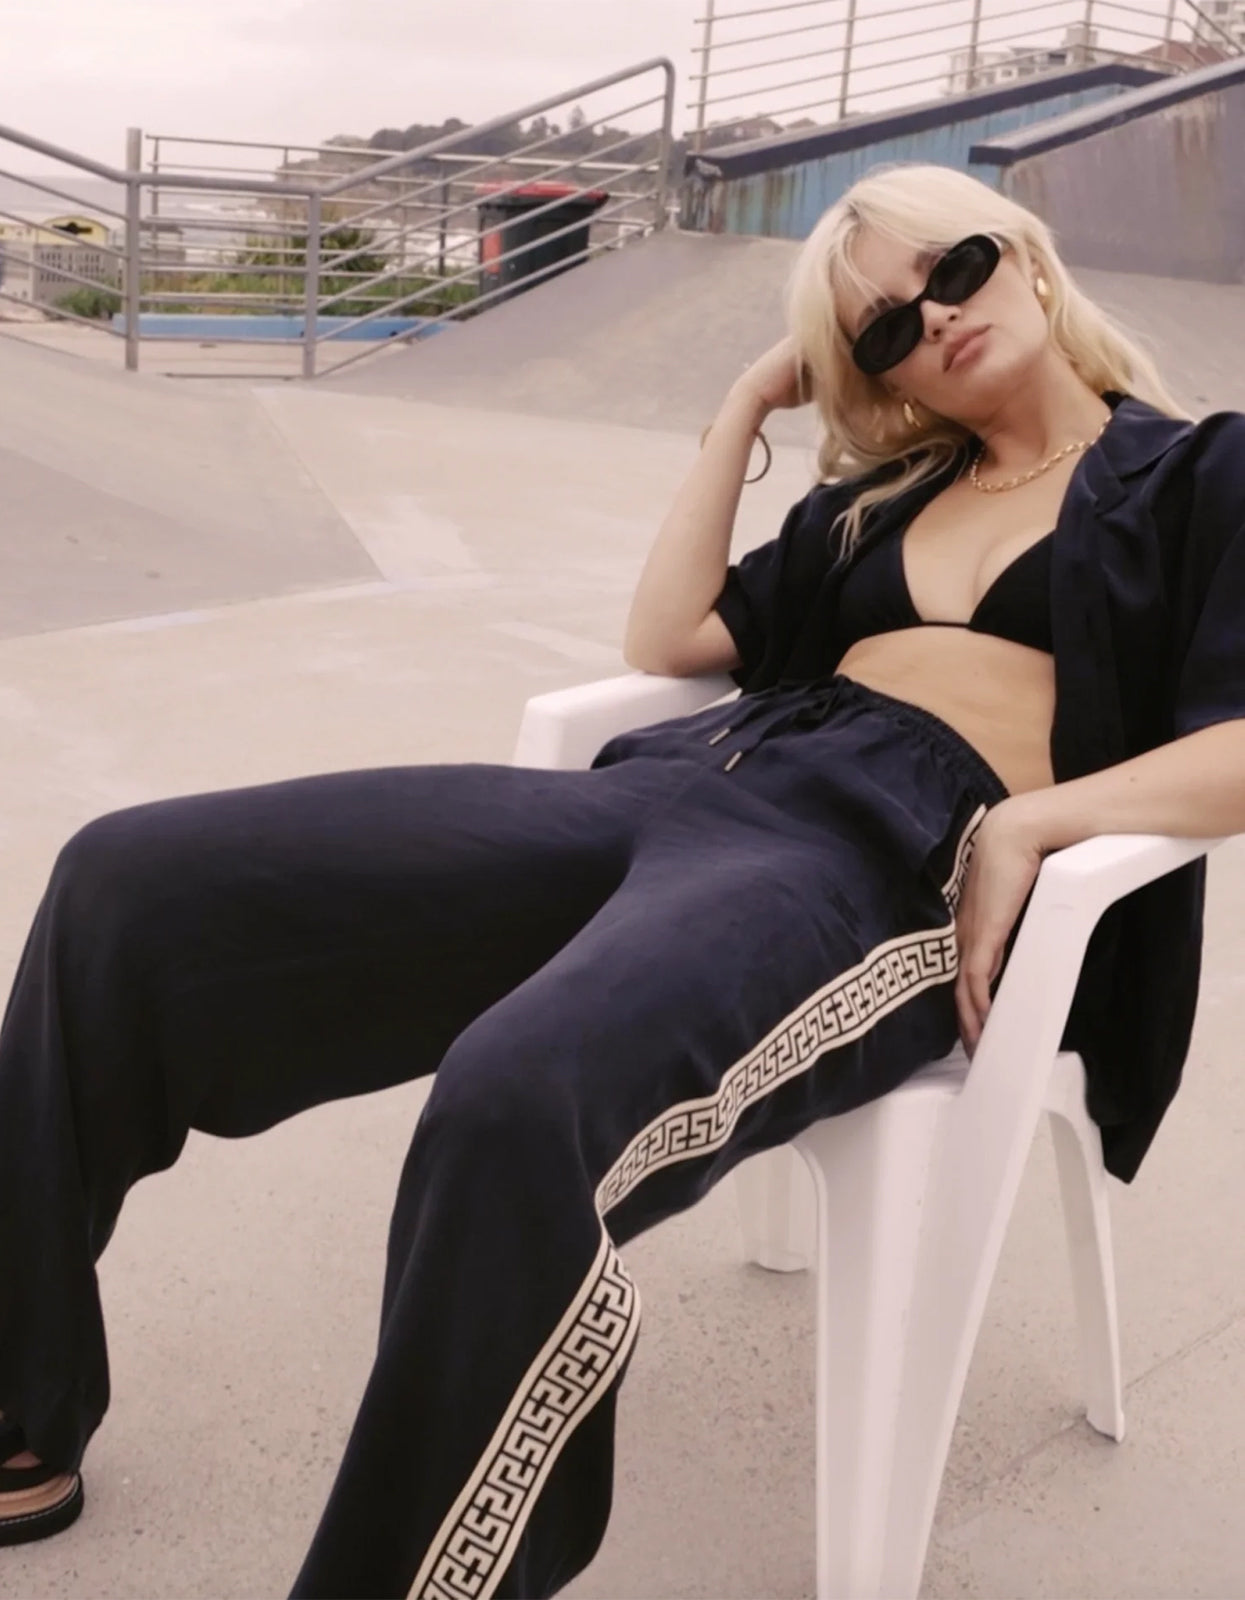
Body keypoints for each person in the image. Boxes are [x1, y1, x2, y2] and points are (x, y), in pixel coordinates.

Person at [2, 159, 1244, 1597]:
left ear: (1023, 255)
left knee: (518, 1095)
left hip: (883, 855)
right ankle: (22, 1391)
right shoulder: (889, 498)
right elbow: (670, 639)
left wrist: (1034, 825)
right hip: (684, 783)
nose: (935, 317)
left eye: (952, 269)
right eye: (885, 327)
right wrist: (747, 405)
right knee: (127, 882)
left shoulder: (1200, 474)